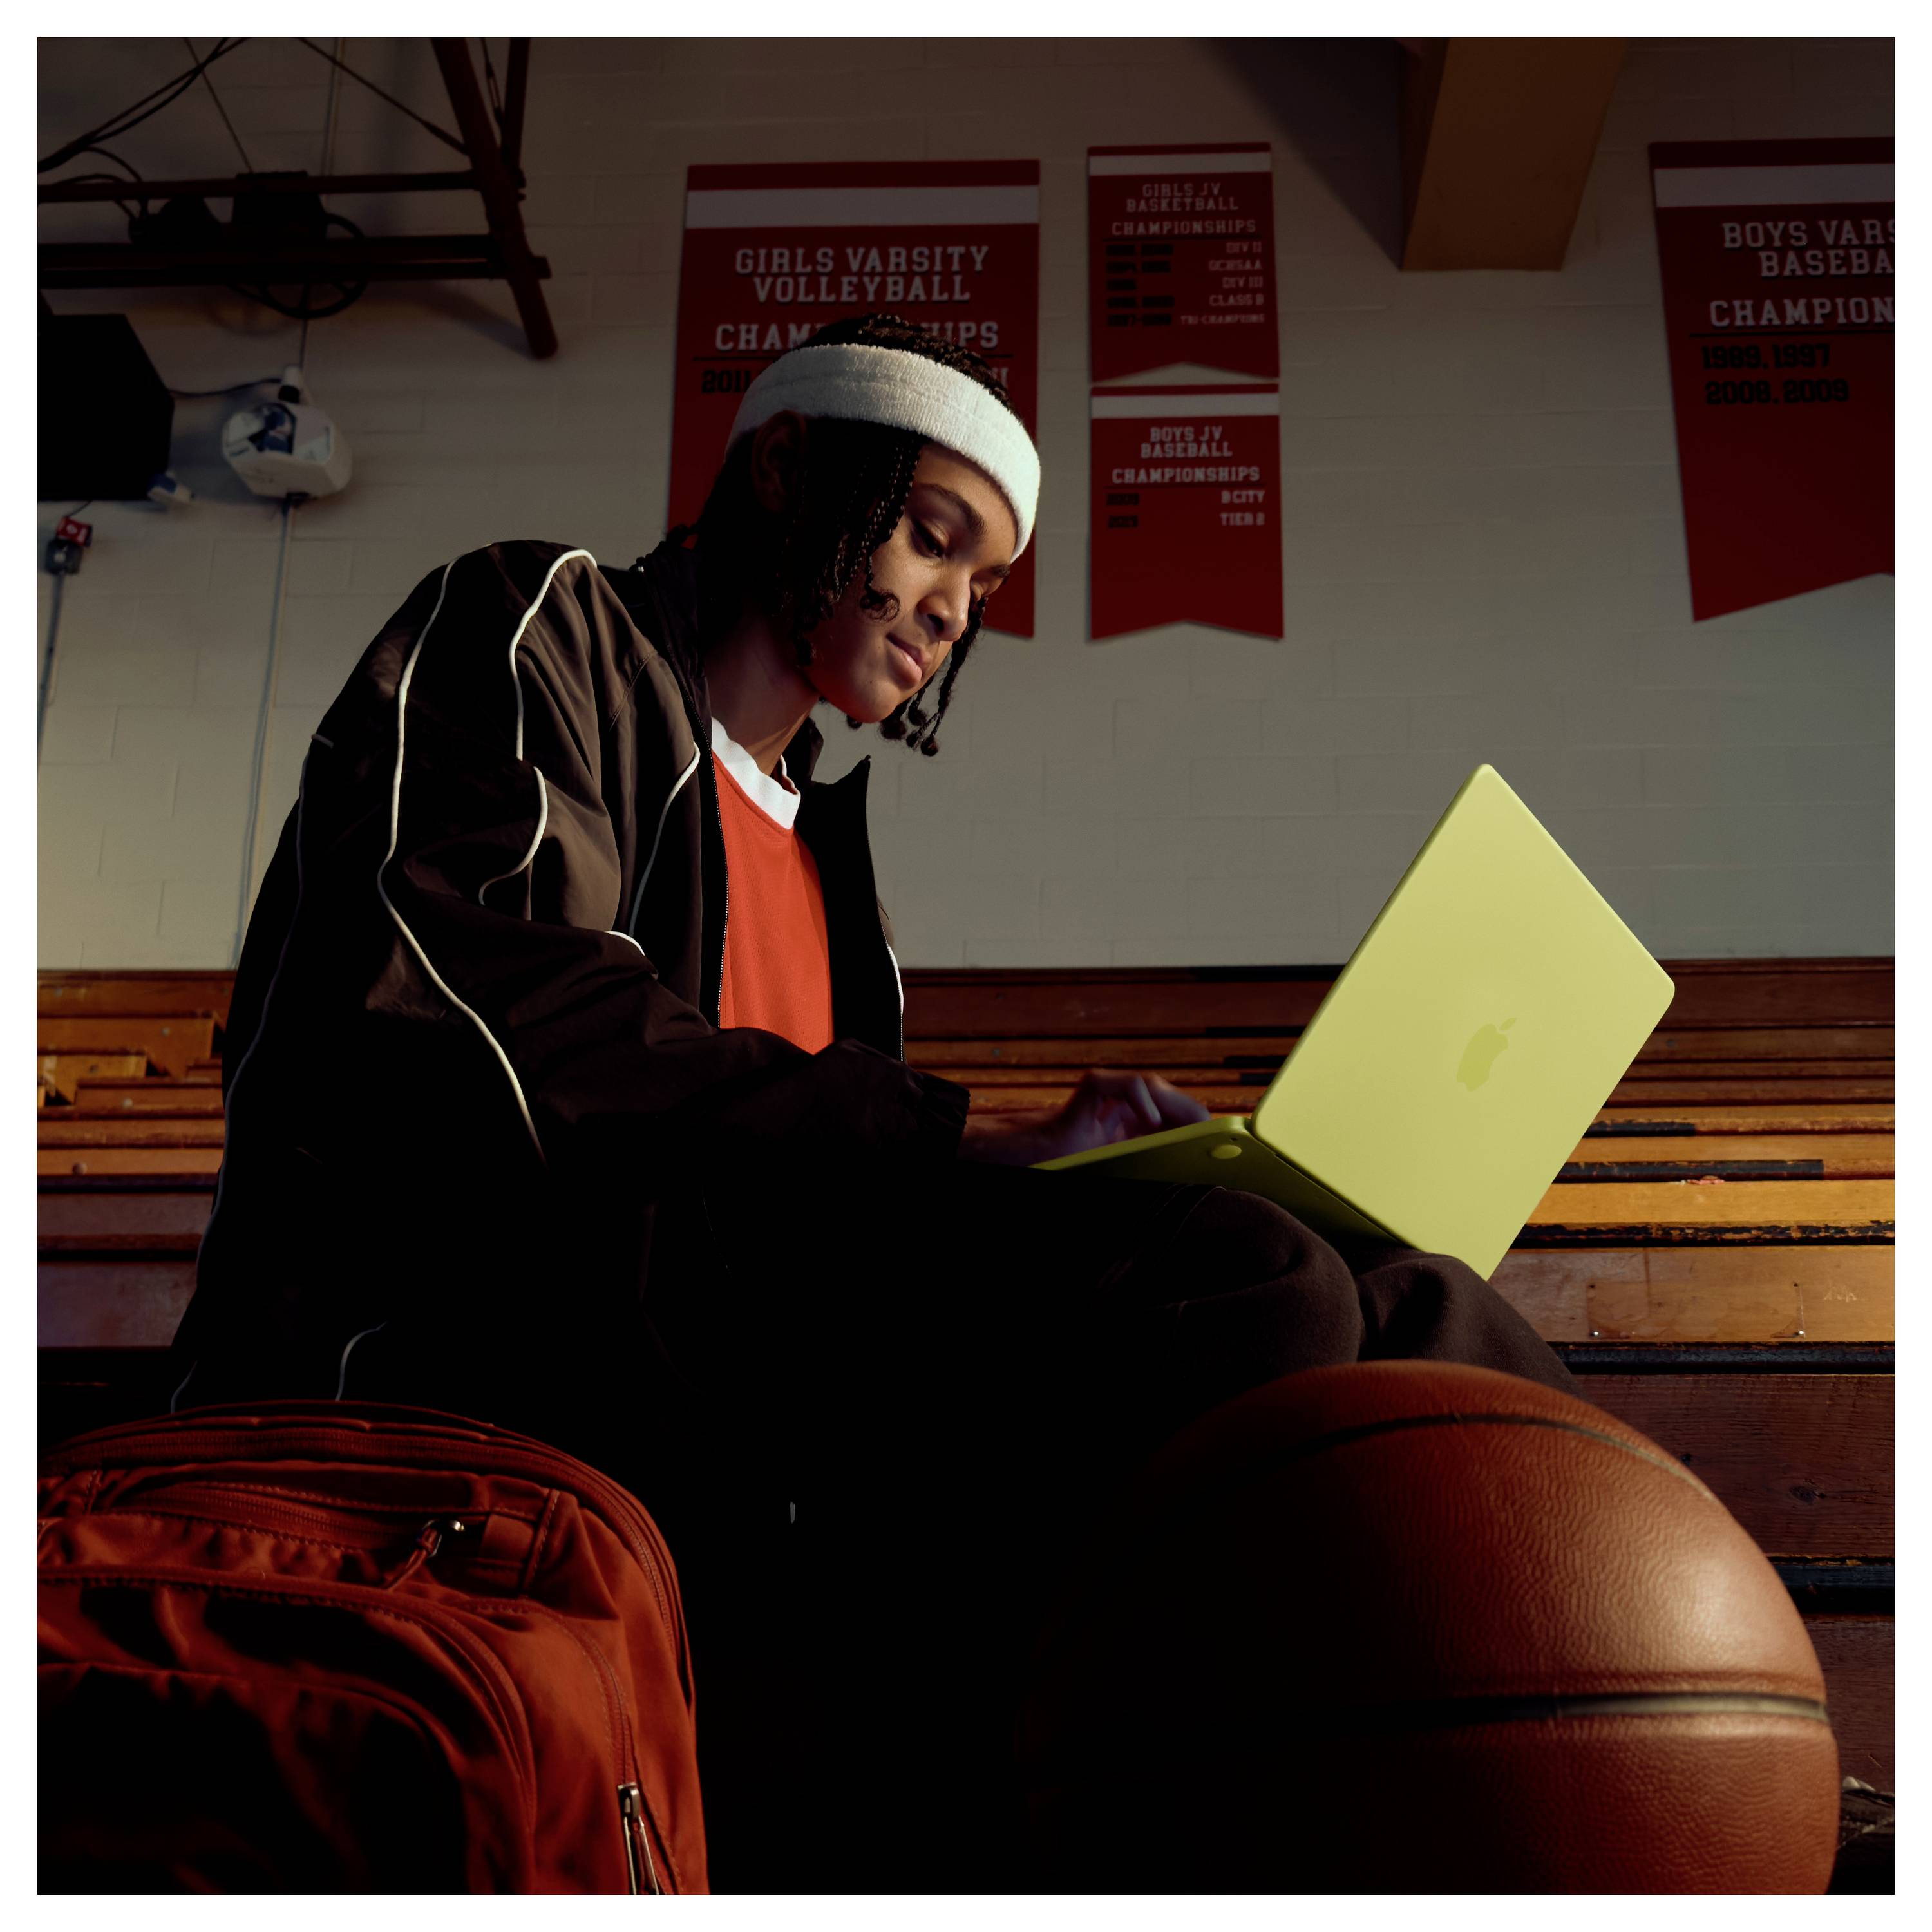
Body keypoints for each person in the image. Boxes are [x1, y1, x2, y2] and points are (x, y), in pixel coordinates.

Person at [166, 312, 1580, 1892]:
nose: (954, 613)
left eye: (981, 587)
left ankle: (1636, 1770)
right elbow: (495, 1017)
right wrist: (960, 1139)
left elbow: (839, 1195)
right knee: (1251, 1286)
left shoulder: (837, 874)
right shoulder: (539, 628)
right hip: (480, 1362)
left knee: (1417, 1308)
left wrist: (1043, 1177)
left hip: (746, 1385)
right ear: (783, 467)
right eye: (932, 537)